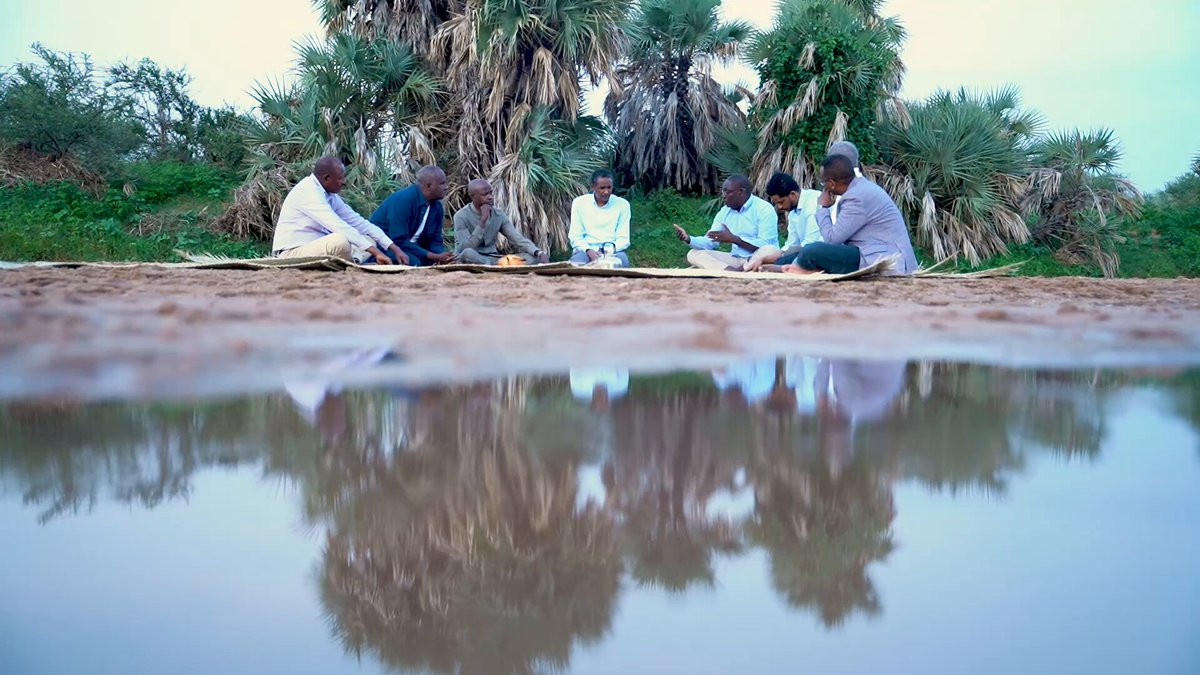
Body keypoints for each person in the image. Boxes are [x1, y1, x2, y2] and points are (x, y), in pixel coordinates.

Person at [754, 154, 918, 275]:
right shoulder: (859, 190)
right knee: (811, 250)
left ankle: (797, 268)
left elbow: (832, 239)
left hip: (884, 258)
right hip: (870, 251)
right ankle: (796, 267)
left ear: (831, 183)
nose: (823, 186)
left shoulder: (856, 197)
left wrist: (822, 208)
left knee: (812, 250)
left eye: (823, 182)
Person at [271, 156, 408, 264]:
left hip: (319, 249)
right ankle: (351, 262)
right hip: (292, 252)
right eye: (340, 178)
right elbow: (337, 225)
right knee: (340, 241)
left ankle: (352, 261)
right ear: (326, 178)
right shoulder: (308, 191)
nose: (344, 182)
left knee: (369, 240)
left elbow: (359, 222)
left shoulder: (330, 196)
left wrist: (394, 248)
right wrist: (377, 253)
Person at [672, 174, 778, 271]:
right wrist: (688, 238)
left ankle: (734, 271)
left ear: (741, 192)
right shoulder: (725, 212)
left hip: (759, 258)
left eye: (727, 192)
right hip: (736, 259)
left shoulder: (764, 209)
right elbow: (710, 241)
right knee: (693, 254)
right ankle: (731, 272)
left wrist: (735, 240)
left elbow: (765, 245)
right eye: (723, 192)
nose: (723, 196)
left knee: (769, 250)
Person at [370, 165, 455, 266]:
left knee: (438, 262)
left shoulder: (436, 207)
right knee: (414, 262)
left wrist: (444, 256)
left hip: (411, 249)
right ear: (429, 186)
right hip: (385, 247)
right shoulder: (403, 200)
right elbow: (399, 239)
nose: (446, 187)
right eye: (442, 183)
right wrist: (433, 256)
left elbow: (435, 241)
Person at [452, 179, 549, 265]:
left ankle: (493, 265)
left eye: (491, 193)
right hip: (472, 257)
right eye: (485, 194)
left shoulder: (498, 215)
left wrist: (538, 252)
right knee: (468, 253)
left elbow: (517, 239)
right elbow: (465, 248)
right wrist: (483, 222)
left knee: (532, 258)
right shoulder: (460, 216)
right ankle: (494, 266)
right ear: (473, 197)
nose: (490, 197)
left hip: (493, 258)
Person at [569, 169, 631, 266]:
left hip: (613, 251)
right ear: (593, 187)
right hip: (585, 251)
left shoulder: (622, 205)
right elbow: (575, 236)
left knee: (620, 262)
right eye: (602, 188)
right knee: (576, 265)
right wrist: (588, 250)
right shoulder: (579, 203)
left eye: (609, 187)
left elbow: (623, 239)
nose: (606, 192)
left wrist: (607, 251)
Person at [766, 171, 823, 250]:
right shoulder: (793, 212)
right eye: (777, 204)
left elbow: (811, 243)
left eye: (781, 202)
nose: (779, 207)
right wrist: (778, 254)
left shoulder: (813, 203)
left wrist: (782, 255)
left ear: (793, 194)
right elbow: (791, 244)